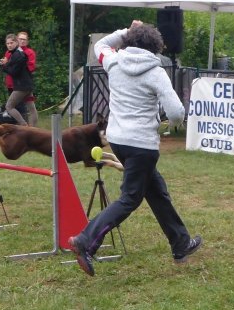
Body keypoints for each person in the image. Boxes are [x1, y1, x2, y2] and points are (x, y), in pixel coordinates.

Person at [68, 22, 202, 276]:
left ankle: (180, 242)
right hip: (142, 144)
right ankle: (85, 241)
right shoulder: (156, 71)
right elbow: (176, 112)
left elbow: (100, 45)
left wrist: (125, 31)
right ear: (156, 47)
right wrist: (169, 126)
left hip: (118, 140)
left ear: (129, 41)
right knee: (130, 198)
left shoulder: (114, 62)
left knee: (156, 191)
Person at [0, 34, 37, 126]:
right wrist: (7, 63)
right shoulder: (16, 53)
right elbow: (13, 66)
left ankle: (24, 126)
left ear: (16, 42)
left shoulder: (18, 54)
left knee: (9, 106)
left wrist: (4, 66)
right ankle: (33, 129)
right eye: (7, 43)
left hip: (21, 87)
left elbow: (14, 72)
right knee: (31, 108)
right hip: (26, 85)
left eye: (11, 43)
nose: (9, 45)